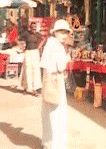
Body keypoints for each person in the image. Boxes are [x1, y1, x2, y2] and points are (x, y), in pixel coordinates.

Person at [40, 19, 72, 149]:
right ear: (56, 33)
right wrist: (67, 51)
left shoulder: (49, 43)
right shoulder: (57, 46)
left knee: (47, 115)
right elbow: (61, 66)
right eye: (62, 32)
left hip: (47, 80)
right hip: (55, 82)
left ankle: (47, 142)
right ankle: (57, 145)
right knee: (58, 115)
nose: (64, 35)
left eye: (66, 33)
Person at [19, 22, 45, 96]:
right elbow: (17, 39)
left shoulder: (37, 34)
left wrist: (39, 47)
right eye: (32, 27)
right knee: (27, 69)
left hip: (35, 52)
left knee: (36, 70)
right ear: (30, 27)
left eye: (35, 27)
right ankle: (26, 87)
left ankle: (35, 88)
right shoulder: (26, 33)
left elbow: (43, 39)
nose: (34, 29)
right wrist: (21, 47)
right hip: (28, 52)